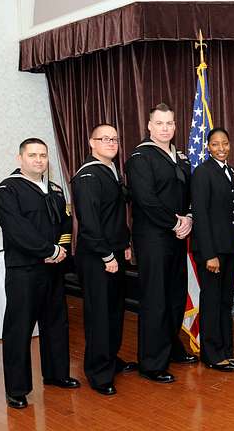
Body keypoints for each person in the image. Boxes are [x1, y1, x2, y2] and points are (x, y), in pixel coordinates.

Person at [0, 138, 79, 409]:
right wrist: (48, 250)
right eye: (33, 155)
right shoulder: (7, 190)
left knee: (56, 322)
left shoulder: (53, 189)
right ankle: (16, 389)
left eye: (43, 155)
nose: (39, 160)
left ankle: (57, 374)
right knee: (19, 329)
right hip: (24, 270)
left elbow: (65, 222)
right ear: (20, 159)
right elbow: (17, 230)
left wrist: (61, 249)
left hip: (54, 267)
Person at [125, 103, 197, 384]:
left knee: (175, 296)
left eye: (170, 123)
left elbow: (189, 192)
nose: (165, 128)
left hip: (178, 235)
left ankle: (171, 348)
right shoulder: (140, 157)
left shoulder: (179, 157)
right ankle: (152, 363)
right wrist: (176, 223)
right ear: (149, 126)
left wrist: (189, 217)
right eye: (160, 123)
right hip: (154, 237)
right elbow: (146, 199)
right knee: (155, 298)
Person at [71, 124, 136, 396]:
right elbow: (90, 223)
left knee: (114, 310)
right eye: (104, 139)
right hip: (98, 257)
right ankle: (98, 373)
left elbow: (114, 216)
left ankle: (111, 358)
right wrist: (108, 255)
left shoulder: (110, 170)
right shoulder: (87, 176)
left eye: (114, 139)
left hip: (115, 252)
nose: (111, 143)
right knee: (99, 314)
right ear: (91, 143)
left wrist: (125, 244)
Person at [191, 128, 234, 372]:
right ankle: (211, 354)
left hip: (229, 249)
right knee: (212, 302)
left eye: (225, 143)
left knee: (225, 301)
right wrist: (210, 254)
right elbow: (201, 215)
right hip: (212, 251)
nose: (221, 148)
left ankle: (224, 350)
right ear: (208, 147)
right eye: (215, 144)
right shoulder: (203, 173)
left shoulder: (230, 172)